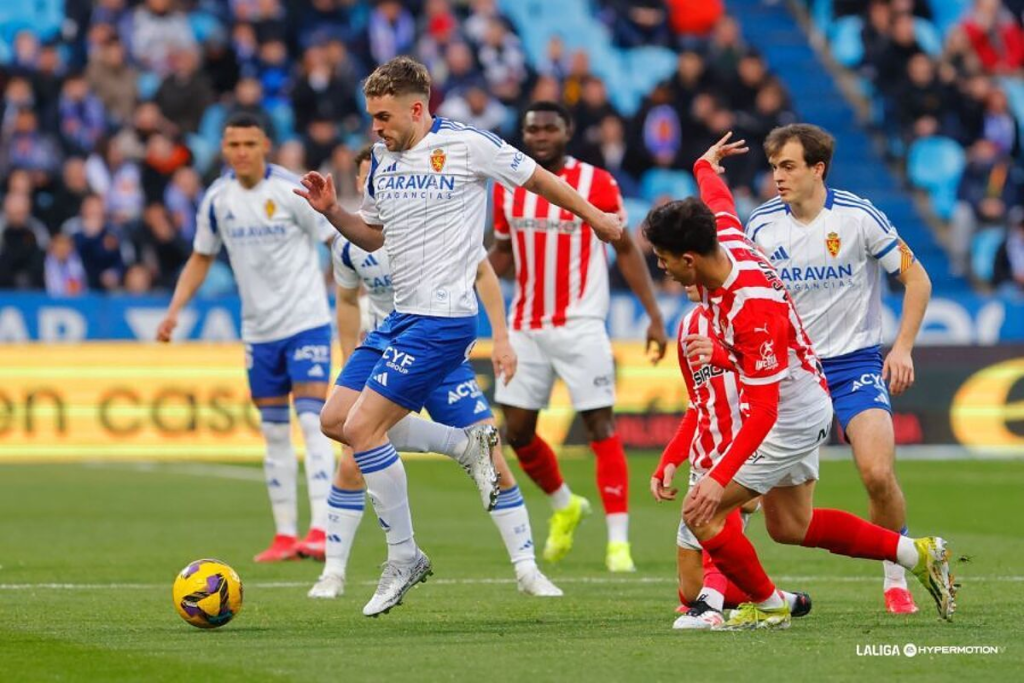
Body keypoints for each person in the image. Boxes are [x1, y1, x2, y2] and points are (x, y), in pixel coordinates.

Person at [293, 57, 623, 617]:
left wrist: (595, 217)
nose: (375, 127)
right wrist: (332, 212)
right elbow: (372, 238)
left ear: (417, 108)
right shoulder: (382, 164)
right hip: (397, 319)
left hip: (442, 321)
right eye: (372, 117)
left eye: (383, 116)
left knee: (364, 429)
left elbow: (539, 179)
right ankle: (461, 444)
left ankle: (404, 556)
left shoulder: (471, 145)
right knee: (334, 423)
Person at [642, 133, 955, 630]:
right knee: (790, 526)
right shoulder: (734, 238)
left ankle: (762, 606)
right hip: (796, 387)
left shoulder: (753, 309)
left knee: (703, 510)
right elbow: (719, 202)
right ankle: (917, 554)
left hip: (791, 409)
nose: (661, 268)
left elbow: (764, 411)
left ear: (689, 261)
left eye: (662, 259)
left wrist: (719, 478)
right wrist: (705, 166)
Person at [307, 147, 561, 600]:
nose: (376, 186)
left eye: (381, 177)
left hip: (436, 346)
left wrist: (501, 337)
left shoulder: (432, 222)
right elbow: (346, 303)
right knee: (345, 435)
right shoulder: (349, 243)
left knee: (494, 458)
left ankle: (527, 569)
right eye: (369, 180)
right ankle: (333, 572)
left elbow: (484, 275)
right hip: (386, 340)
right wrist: (351, 357)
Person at [745, 124, 933, 614]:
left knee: (876, 473)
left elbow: (917, 279)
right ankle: (718, 587)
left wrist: (904, 348)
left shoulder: (858, 217)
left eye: (787, 166)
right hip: (788, 372)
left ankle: (896, 578)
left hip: (854, 365)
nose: (777, 177)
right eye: (773, 168)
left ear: (817, 169)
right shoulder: (761, 226)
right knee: (747, 492)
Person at [488, 102, 668, 572]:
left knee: (600, 427)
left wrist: (653, 315)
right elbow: (503, 254)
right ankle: (565, 504)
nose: (541, 136)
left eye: (550, 128)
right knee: (519, 432)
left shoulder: (597, 183)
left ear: (567, 132)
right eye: (533, 129)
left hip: (581, 323)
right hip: (526, 325)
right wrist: (470, 275)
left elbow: (625, 247)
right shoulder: (509, 186)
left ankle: (617, 543)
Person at [157, 113, 337, 564]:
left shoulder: (292, 190)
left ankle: (320, 530)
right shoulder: (218, 199)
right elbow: (201, 257)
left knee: (314, 421)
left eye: (249, 144)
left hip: (306, 321)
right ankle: (284, 535)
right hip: (259, 332)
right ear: (223, 149)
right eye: (233, 144)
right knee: (274, 432)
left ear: (265, 147)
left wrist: (349, 295)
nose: (241, 152)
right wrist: (175, 311)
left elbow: (334, 239)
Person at [650, 285, 811, 629]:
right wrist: (669, 460)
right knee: (688, 589)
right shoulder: (688, 326)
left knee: (715, 530)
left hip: (745, 455)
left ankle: (710, 611)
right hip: (705, 458)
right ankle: (778, 599)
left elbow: (774, 383)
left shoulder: (748, 315)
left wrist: (723, 355)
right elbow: (697, 402)